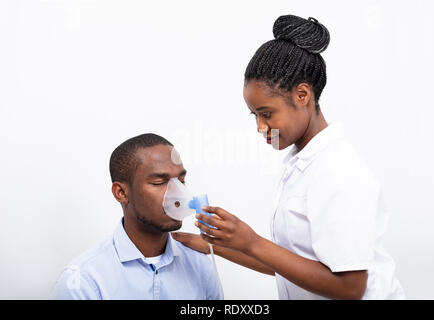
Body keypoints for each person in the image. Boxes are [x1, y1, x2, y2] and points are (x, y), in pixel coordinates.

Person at [172, 14, 405, 300]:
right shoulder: (301, 162)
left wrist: (252, 241)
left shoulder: (338, 172)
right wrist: (220, 245)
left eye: (266, 114)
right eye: (254, 115)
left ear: (302, 95)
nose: (260, 127)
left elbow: (351, 287)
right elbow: (293, 264)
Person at [52, 134, 223, 299]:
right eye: (159, 182)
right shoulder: (83, 281)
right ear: (121, 193)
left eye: (181, 181)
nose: (178, 195)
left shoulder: (200, 265)